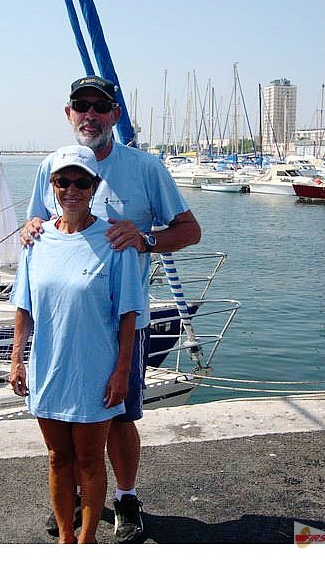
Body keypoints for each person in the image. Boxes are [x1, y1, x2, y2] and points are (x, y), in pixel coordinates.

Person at [21, 75, 202, 543]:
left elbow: (189, 230)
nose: (90, 114)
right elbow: (39, 220)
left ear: (114, 115)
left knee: (119, 416)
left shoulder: (145, 168)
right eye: (81, 105)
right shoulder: (51, 166)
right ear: (69, 114)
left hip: (124, 318)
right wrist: (30, 228)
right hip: (68, 322)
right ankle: (75, 502)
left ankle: (125, 497)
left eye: (100, 106)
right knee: (66, 426)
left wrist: (145, 239)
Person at [10, 144, 144, 544]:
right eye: (63, 181)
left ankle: (87, 542)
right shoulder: (36, 240)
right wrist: (16, 360)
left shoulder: (115, 241)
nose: (71, 190)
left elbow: (128, 314)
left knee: (88, 460)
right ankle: (66, 538)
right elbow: (23, 306)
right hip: (48, 368)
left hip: (95, 371)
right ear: (52, 186)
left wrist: (122, 371)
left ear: (94, 186)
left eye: (81, 182)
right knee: (57, 458)